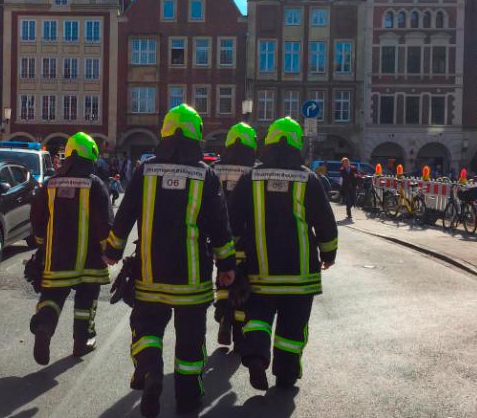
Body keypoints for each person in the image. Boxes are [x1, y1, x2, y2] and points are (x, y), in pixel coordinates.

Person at [104, 104, 236, 417]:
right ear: (197, 136)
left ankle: (150, 371)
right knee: (191, 343)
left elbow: (125, 215)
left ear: (165, 132)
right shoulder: (206, 175)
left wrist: (112, 251)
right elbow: (220, 225)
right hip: (192, 280)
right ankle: (188, 399)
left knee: (147, 328)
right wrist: (227, 266)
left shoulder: (144, 171)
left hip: (150, 276)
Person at [228, 117, 338, 391]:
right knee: (292, 327)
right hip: (300, 275)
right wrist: (329, 253)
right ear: (297, 144)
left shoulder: (250, 178)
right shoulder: (309, 179)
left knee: (257, 317)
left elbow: (232, 220)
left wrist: (230, 258)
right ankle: (286, 375)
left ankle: (256, 357)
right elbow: (325, 222)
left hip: (260, 271)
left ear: (267, 144)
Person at [29, 132, 114, 365]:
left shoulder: (50, 184)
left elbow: (37, 217)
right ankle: (81, 341)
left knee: (52, 296)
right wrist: (110, 251)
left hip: (56, 258)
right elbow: (104, 221)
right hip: (90, 260)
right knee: (86, 300)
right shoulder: (94, 184)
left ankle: (45, 326)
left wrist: (40, 244)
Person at [212, 123, 258, 348]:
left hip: (221, 236)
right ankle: (239, 331)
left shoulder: (216, 170)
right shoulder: (256, 171)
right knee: (243, 281)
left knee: (223, 276)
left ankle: (223, 318)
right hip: (248, 237)